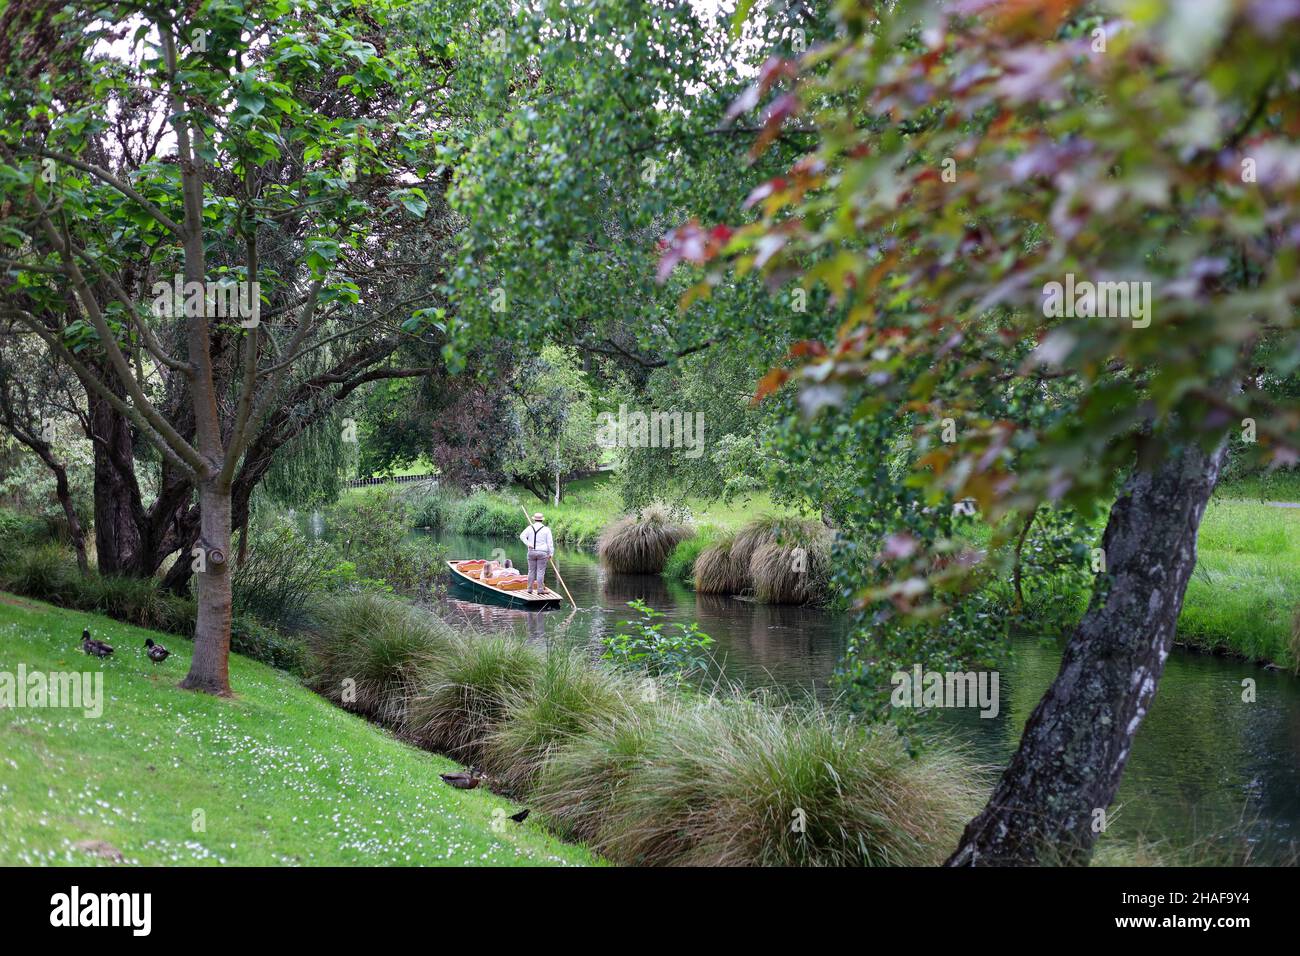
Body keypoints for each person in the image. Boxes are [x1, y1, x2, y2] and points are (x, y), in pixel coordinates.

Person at [520, 512, 554, 594]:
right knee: (540, 571)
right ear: (542, 520)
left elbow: (522, 536)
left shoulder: (530, 528)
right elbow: (550, 543)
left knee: (531, 571)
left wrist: (528, 544)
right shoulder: (546, 529)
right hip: (543, 553)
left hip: (531, 552)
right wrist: (551, 553)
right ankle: (540, 590)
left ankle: (529, 589)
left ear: (534, 519)